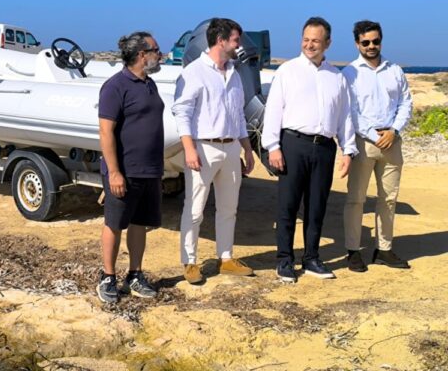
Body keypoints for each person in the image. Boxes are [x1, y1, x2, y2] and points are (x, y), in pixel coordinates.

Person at [262, 17, 358, 283]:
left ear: (327, 43)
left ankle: (312, 258)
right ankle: (284, 260)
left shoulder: (336, 77)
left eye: (316, 40)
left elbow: (344, 117)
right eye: (306, 39)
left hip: (324, 148)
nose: (309, 44)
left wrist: (348, 150)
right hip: (293, 144)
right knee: (288, 206)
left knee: (317, 206)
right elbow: (273, 111)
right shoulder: (287, 71)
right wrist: (273, 146)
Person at [172, 18, 256, 285]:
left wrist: (248, 150)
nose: (238, 45)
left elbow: (239, 115)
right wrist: (189, 149)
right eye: (235, 40)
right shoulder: (193, 72)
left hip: (231, 148)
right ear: (220, 40)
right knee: (195, 209)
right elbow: (182, 112)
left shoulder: (235, 73)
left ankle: (226, 258)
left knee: (229, 208)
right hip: (203, 147)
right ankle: (190, 262)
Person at [97, 31, 165, 303]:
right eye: (156, 50)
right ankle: (108, 276)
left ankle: (135, 274)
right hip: (123, 171)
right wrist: (114, 171)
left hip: (149, 171)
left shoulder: (150, 84)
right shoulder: (115, 87)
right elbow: (105, 132)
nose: (160, 55)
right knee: (114, 224)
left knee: (140, 224)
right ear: (141, 55)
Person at [342, 20, 413, 272]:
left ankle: (384, 249)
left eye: (375, 41)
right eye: (366, 42)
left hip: (392, 141)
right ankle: (353, 251)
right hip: (364, 142)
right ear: (357, 44)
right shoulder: (350, 73)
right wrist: (374, 135)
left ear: (381, 40)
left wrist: (394, 130)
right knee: (356, 200)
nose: (371, 46)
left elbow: (405, 102)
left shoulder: (395, 70)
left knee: (389, 198)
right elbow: (350, 111)